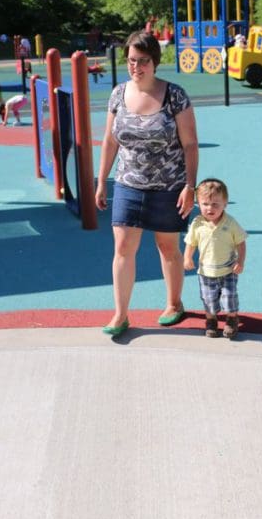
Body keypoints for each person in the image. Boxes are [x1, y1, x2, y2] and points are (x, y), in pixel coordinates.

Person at [94, 30, 199, 336]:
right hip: (129, 182)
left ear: (154, 62)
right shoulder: (118, 94)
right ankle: (120, 314)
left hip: (169, 185)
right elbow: (110, 142)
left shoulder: (174, 95)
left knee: (167, 247)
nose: (135, 67)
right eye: (131, 61)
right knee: (124, 246)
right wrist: (102, 181)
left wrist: (189, 186)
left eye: (142, 61)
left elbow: (190, 145)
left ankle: (174, 303)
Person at [183, 178, 247, 339]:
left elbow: (241, 243)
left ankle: (231, 319)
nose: (210, 208)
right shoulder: (197, 223)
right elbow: (191, 243)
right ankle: (211, 321)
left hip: (228, 270)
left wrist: (240, 261)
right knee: (208, 299)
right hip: (206, 271)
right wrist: (187, 258)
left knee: (229, 297)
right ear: (198, 203)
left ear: (225, 204)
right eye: (205, 204)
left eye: (215, 204)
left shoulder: (230, 223)